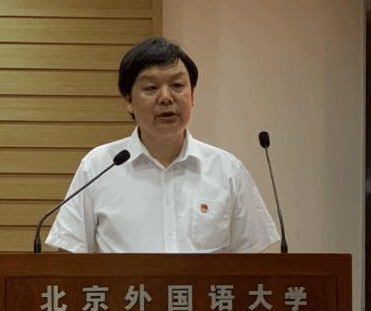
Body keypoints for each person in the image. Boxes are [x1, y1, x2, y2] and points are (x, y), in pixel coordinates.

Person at [46, 36, 281, 253]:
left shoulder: (227, 170)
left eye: (177, 86)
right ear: (129, 100)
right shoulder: (98, 166)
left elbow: (256, 261)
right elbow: (68, 255)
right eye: (151, 88)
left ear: (192, 95)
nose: (166, 97)